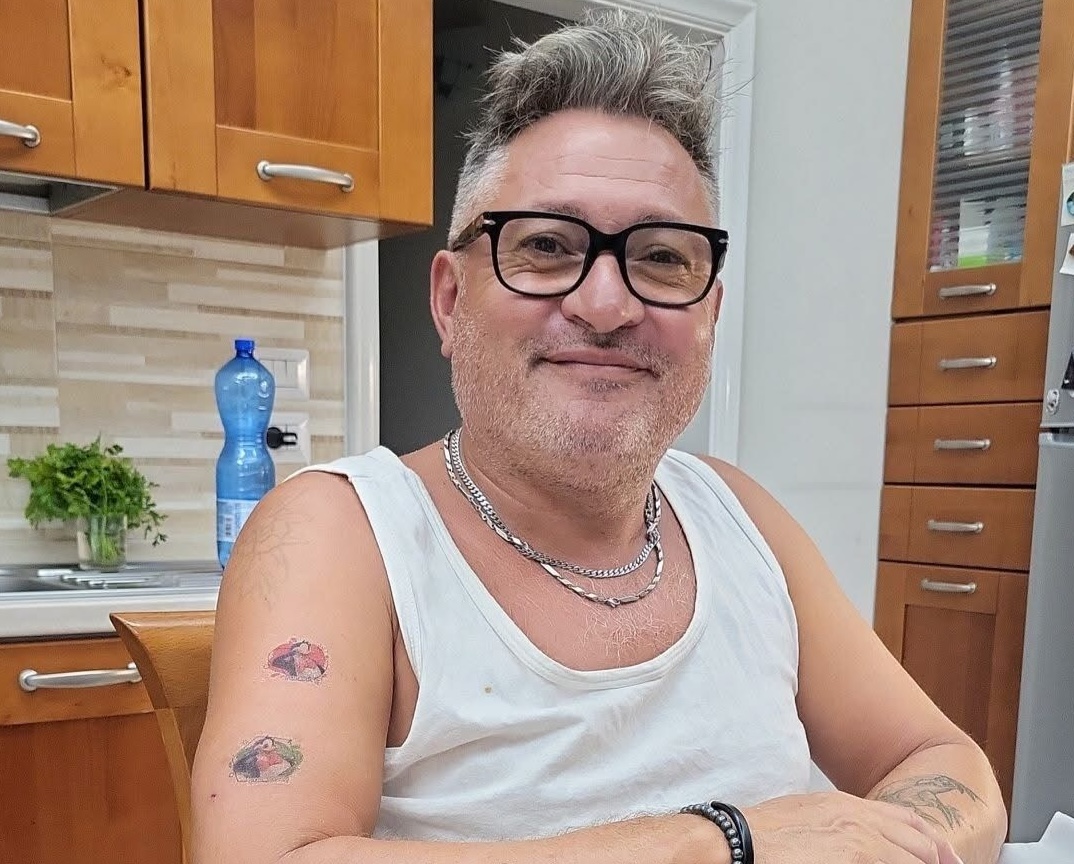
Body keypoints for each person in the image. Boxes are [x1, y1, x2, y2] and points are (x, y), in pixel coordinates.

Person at [191, 11, 1007, 864]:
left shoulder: (740, 517)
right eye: (547, 246)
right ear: (450, 301)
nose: (609, 305)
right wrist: (725, 844)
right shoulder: (341, 535)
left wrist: (893, 846)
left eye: (662, 258)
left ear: (711, 313)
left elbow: (940, 759)